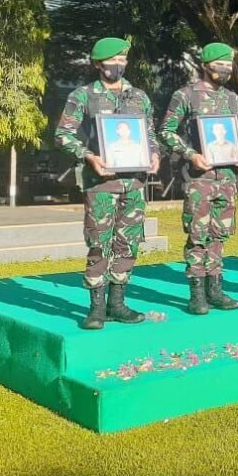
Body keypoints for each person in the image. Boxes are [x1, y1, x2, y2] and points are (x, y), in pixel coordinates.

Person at [54, 37, 160, 330]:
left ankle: (117, 302)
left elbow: (150, 134)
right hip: (101, 184)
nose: (118, 65)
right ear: (98, 63)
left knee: (128, 243)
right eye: (113, 60)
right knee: (99, 242)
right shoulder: (83, 96)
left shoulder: (139, 96)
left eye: (123, 60)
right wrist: (88, 156)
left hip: (135, 183)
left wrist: (154, 155)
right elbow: (63, 134)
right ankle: (96, 307)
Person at [160, 42, 238, 313]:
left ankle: (216, 290)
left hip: (227, 179)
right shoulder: (185, 95)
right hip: (199, 179)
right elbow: (165, 131)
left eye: (228, 65)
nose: (224, 70)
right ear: (205, 65)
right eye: (219, 64)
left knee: (219, 236)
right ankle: (196, 294)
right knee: (198, 235)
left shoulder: (233, 99)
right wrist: (190, 154)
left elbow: (236, 137)